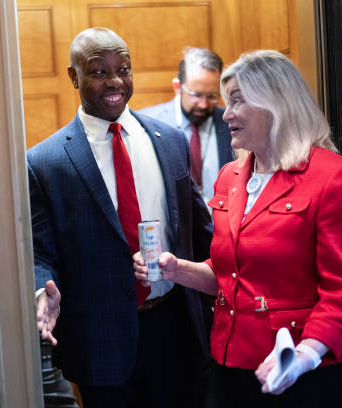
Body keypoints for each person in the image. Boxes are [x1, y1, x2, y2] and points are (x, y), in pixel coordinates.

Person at [134, 50, 342, 407]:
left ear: (274, 103)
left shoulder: (336, 177)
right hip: (230, 364)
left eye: (237, 102)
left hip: (304, 370)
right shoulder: (230, 177)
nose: (225, 114)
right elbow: (230, 275)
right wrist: (177, 269)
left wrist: (304, 354)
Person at [28, 27, 213, 408]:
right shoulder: (45, 162)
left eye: (123, 69)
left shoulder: (170, 140)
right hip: (100, 340)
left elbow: (200, 229)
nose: (114, 82)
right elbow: (40, 251)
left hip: (175, 328)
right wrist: (41, 291)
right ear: (73, 77)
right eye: (98, 72)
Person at [140, 47, 233, 204]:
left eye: (211, 96)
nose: (203, 104)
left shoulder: (232, 123)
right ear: (178, 88)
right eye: (196, 95)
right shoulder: (147, 124)